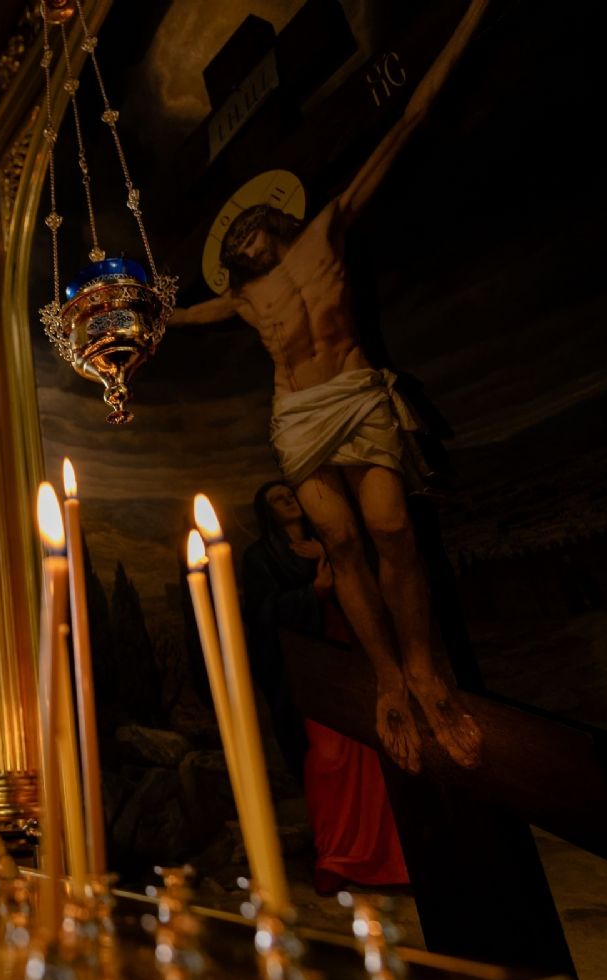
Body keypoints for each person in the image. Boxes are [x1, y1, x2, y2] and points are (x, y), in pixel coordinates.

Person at [170, 0, 490, 775]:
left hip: (354, 392)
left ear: (283, 218)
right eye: (235, 235)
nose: (245, 232)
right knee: (341, 539)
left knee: (389, 525)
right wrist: (116, 313)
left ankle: (425, 665)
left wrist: (469, 15)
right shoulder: (244, 299)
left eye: (255, 222)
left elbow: (408, 119)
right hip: (298, 416)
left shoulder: (328, 229)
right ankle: (388, 675)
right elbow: (170, 316)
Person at [243, 481, 407, 894]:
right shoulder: (261, 557)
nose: (289, 500)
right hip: (309, 670)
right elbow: (261, 614)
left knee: (374, 753)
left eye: (290, 492)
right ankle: (335, 856)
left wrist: (331, 557)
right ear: (268, 514)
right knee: (328, 759)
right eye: (278, 499)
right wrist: (311, 593)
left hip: (354, 658)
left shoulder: (329, 540)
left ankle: (390, 860)